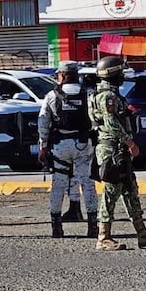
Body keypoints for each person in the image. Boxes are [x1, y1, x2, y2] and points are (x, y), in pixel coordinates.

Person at [88, 55, 146, 251]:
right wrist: (129, 142)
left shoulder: (108, 95)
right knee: (110, 193)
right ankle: (103, 237)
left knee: (130, 190)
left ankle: (142, 234)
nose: (123, 75)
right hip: (112, 149)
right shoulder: (108, 97)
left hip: (117, 149)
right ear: (113, 74)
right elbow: (111, 124)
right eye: (120, 72)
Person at [38, 62, 99, 239]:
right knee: (87, 183)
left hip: (60, 146)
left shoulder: (51, 95)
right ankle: (93, 227)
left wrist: (43, 146)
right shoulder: (88, 93)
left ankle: (56, 228)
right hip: (83, 144)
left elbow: (43, 123)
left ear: (63, 75)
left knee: (58, 184)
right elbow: (95, 119)